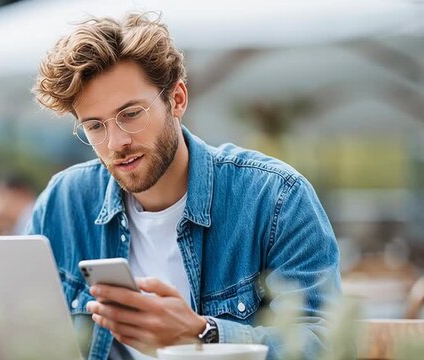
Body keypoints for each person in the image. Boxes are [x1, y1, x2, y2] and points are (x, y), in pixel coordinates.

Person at [28, 13, 341, 360]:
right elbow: (17, 329)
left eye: (131, 114)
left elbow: (328, 344)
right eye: (95, 126)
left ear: (176, 99)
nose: (116, 142)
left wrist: (201, 333)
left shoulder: (277, 197)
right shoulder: (64, 202)